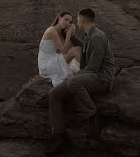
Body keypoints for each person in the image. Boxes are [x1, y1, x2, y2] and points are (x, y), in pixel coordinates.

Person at [45, 8, 115, 156]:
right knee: (54, 94)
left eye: (77, 20)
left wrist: (73, 76)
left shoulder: (97, 37)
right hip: (90, 75)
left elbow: (93, 67)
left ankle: (92, 115)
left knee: (73, 82)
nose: (76, 22)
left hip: (102, 78)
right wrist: (70, 36)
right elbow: (83, 50)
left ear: (82, 21)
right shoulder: (89, 35)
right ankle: (60, 138)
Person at [38, 11, 81, 87]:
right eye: (66, 19)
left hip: (53, 59)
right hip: (45, 64)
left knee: (76, 49)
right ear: (59, 17)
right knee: (76, 50)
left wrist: (71, 34)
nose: (67, 22)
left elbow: (69, 49)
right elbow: (64, 51)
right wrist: (68, 34)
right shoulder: (52, 31)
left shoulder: (59, 32)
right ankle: (89, 69)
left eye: (69, 22)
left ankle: (88, 69)